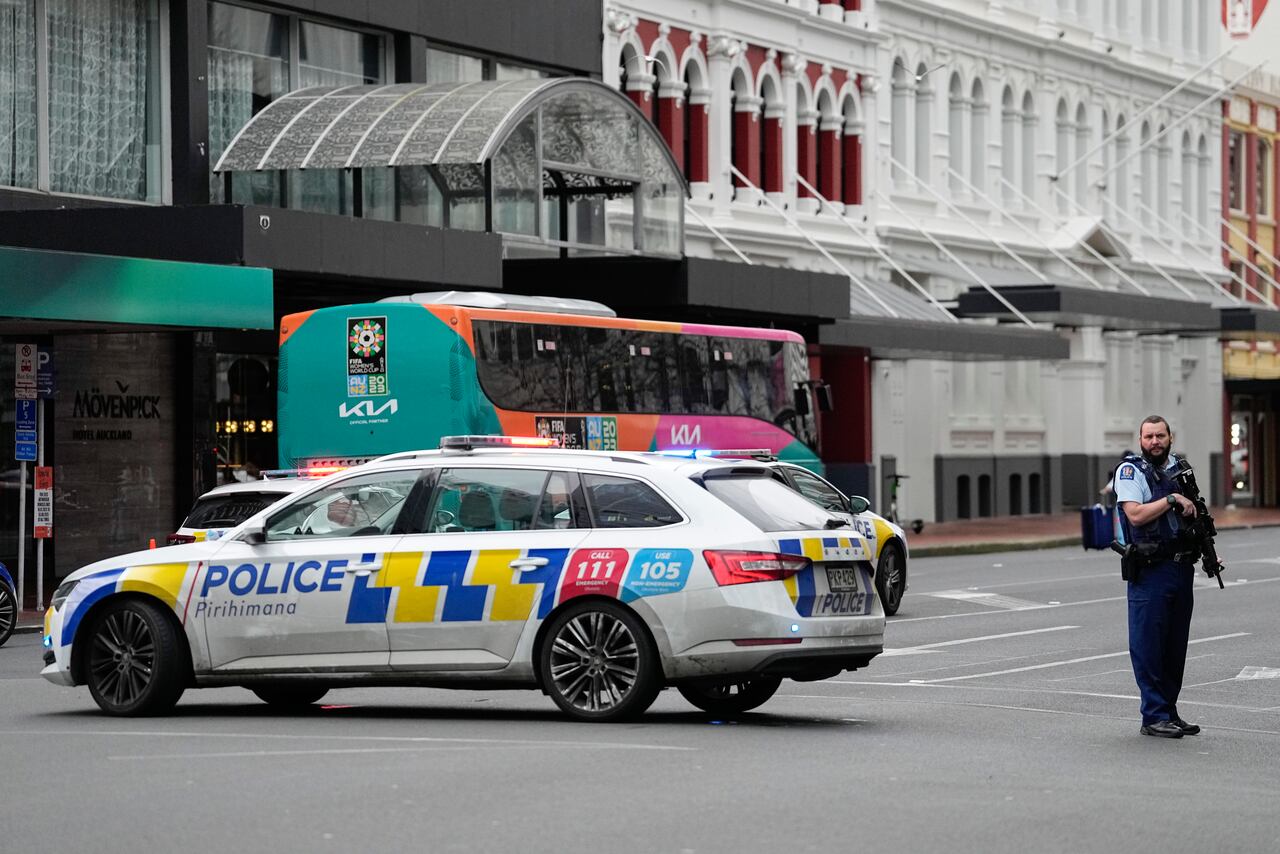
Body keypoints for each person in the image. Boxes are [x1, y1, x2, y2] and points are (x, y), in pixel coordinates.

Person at [1113, 416, 1201, 739]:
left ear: (1170, 437)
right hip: (1150, 570)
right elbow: (1135, 514)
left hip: (1181, 568)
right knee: (1148, 644)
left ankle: (1169, 711)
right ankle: (1152, 715)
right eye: (1148, 436)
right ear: (1140, 440)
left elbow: (1196, 515)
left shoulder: (1180, 469)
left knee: (1174, 646)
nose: (1154, 441)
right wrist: (1171, 500)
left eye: (1160, 435)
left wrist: (1208, 551)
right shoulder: (1130, 472)